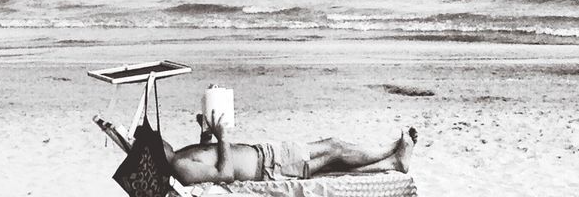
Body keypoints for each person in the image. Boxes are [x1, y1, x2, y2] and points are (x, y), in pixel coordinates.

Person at [166, 111, 415, 185]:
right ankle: (394, 149)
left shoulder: (178, 158)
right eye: (159, 144)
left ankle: (394, 161)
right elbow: (225, 174)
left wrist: (206, 134)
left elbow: (209, 162)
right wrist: (222, 138)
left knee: (333, 156)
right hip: (271, 167)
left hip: (267, 156)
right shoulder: (179, 166)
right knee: (335, 150)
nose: (164, 141)